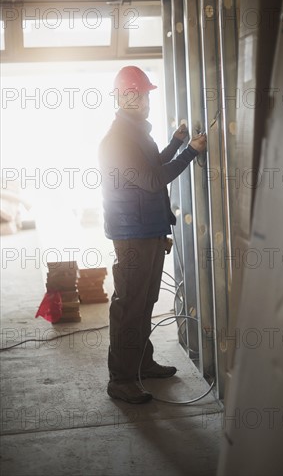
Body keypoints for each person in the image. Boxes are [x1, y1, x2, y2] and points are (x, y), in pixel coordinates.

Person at [98, 66, 207, 404]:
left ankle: (142, 363)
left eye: (145, 94)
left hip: (148, 229)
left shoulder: (137, 135)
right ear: (122, 97)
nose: (143, 100)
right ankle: (121, 379)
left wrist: (176, 143)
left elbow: (151, 167)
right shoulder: (117, 139)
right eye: (136, 94)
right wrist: (191, 152)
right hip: (132, 234)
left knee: (145, 302)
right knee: (129, 306)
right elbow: (151, 181)